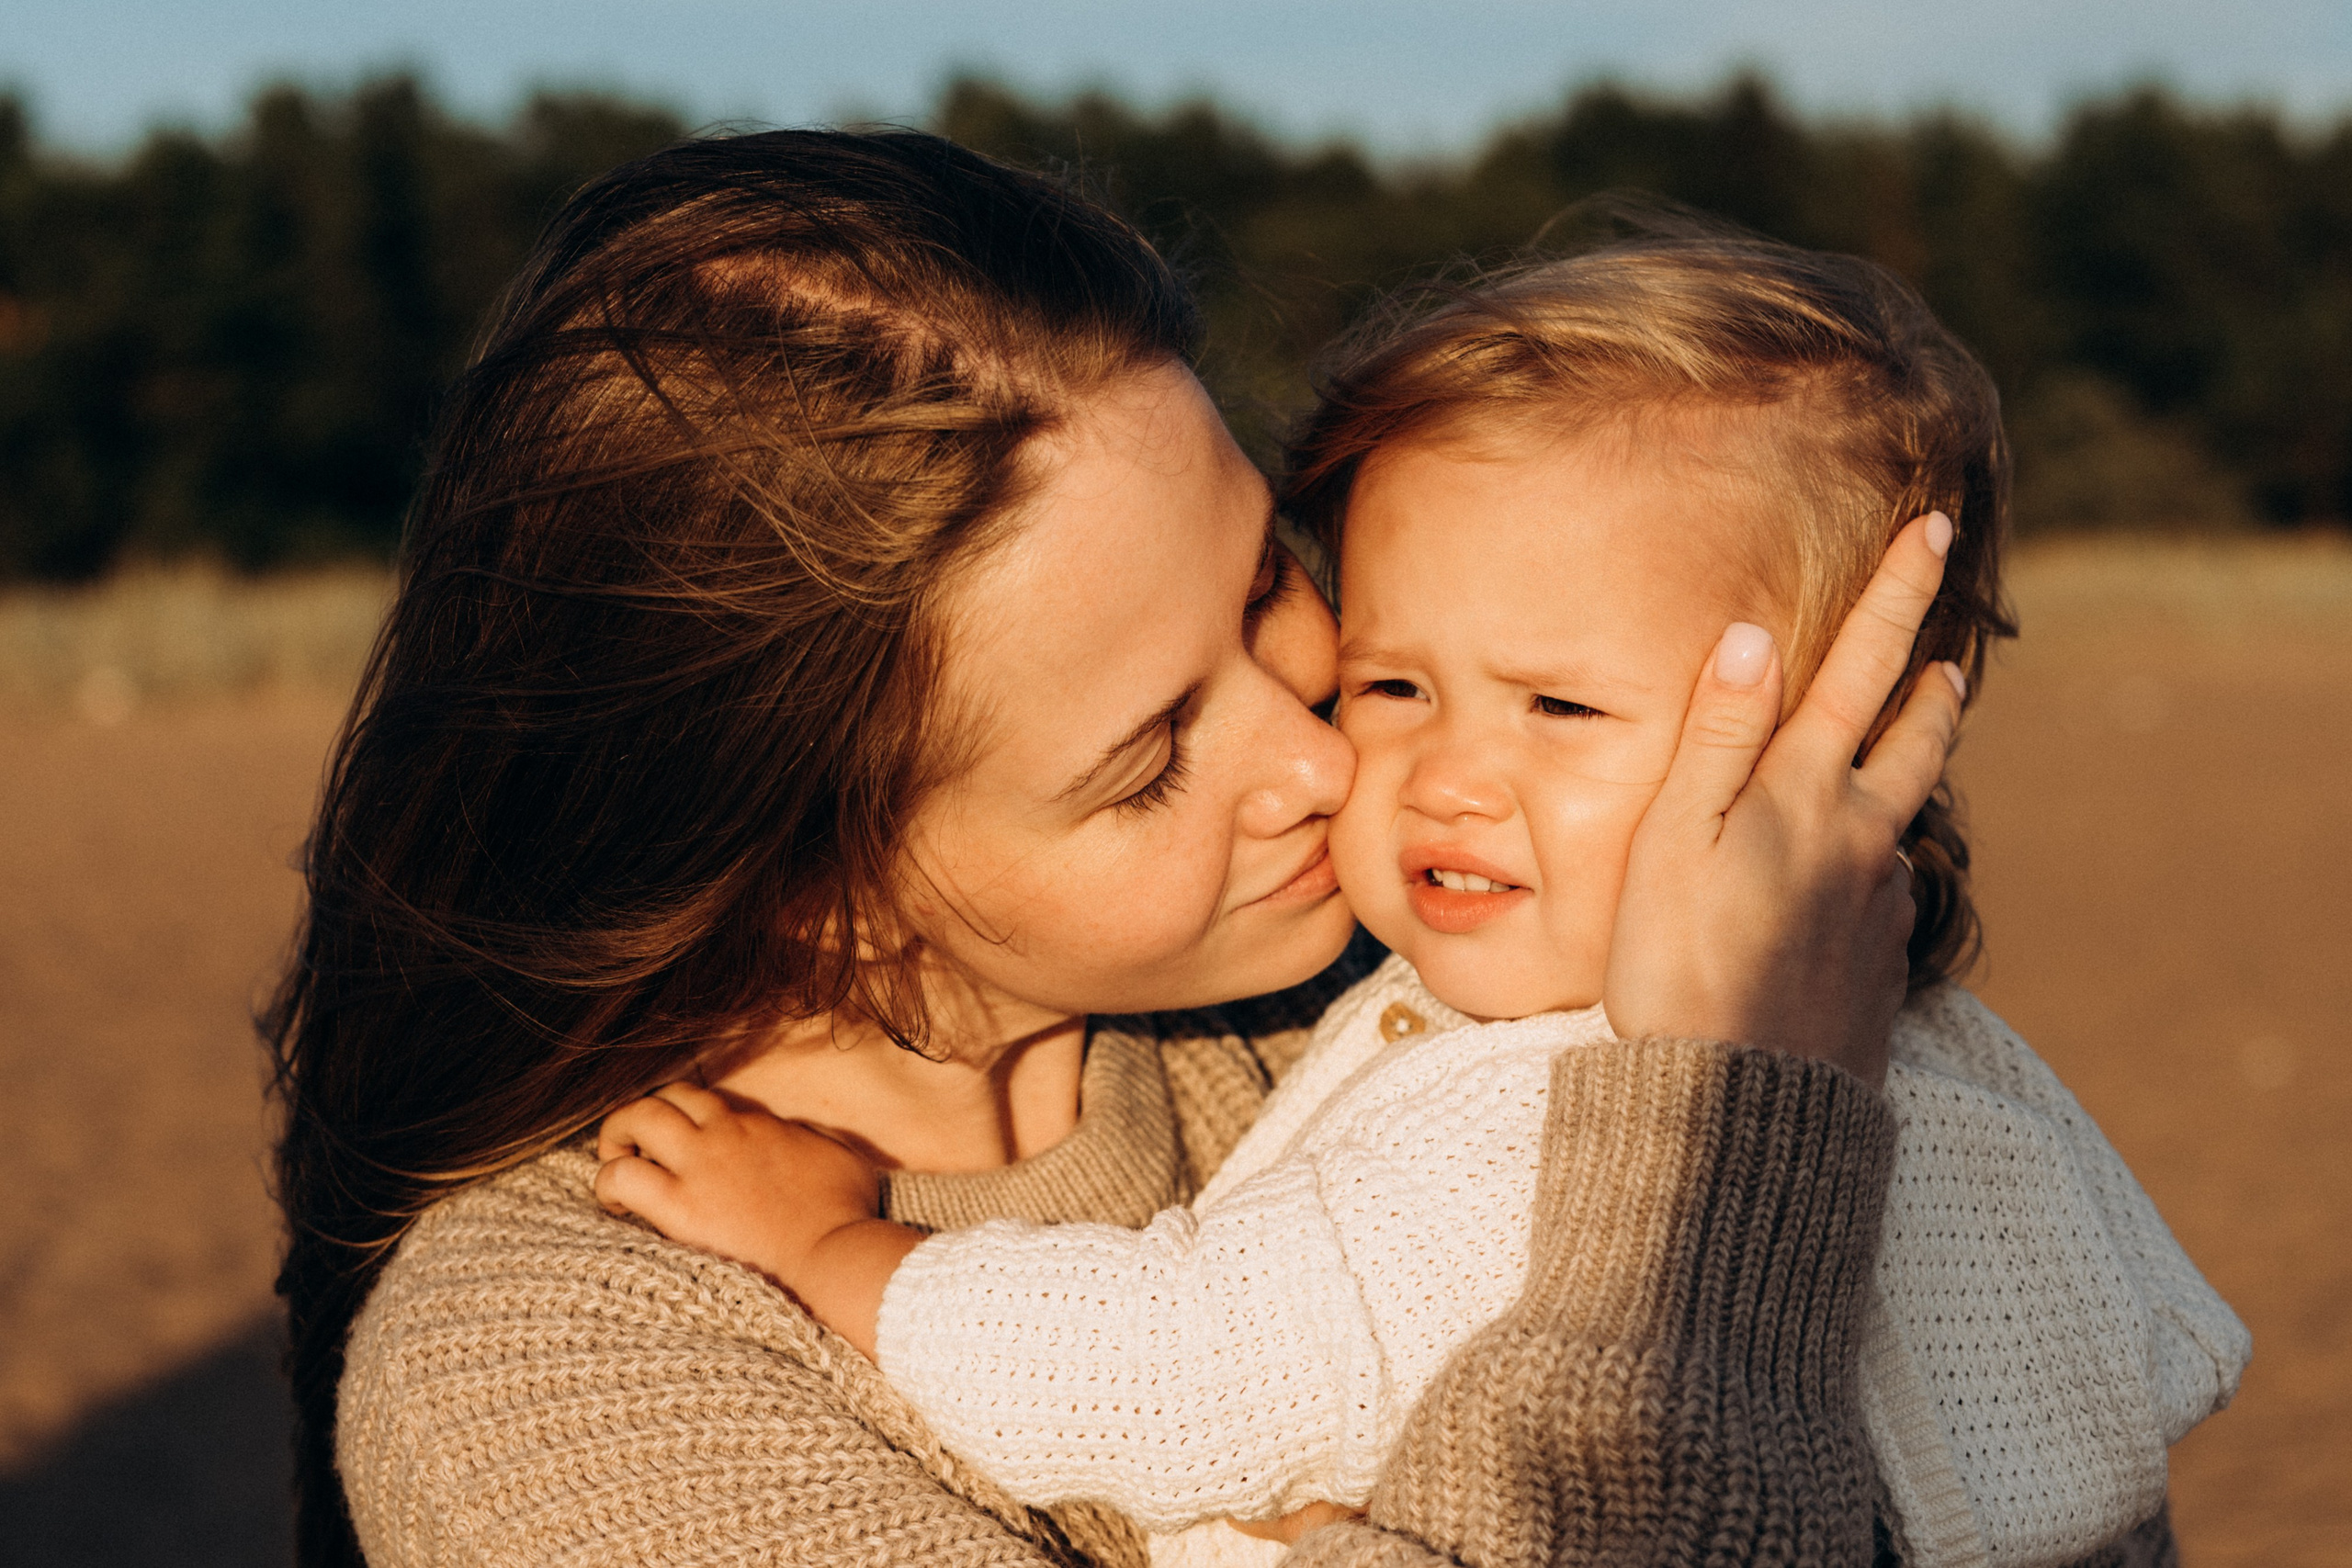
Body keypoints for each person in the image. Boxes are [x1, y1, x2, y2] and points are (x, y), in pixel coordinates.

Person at [280, 130, 1960, 1568]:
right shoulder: (561, 1378)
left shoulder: (1409, 1001)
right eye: (1153, 757)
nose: (1320, 755)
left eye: (1266, 589)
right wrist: (1744, 1136)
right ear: (813, 901)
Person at [593, 233, 2246, 1568]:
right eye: (1392, 685)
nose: (1423, 778)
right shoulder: (1955, 1064)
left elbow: (1168, 1363)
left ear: (1852, 740)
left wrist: (832, 1244)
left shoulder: (1537, 1118)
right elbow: (2150, 1368)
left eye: (1561, 709)